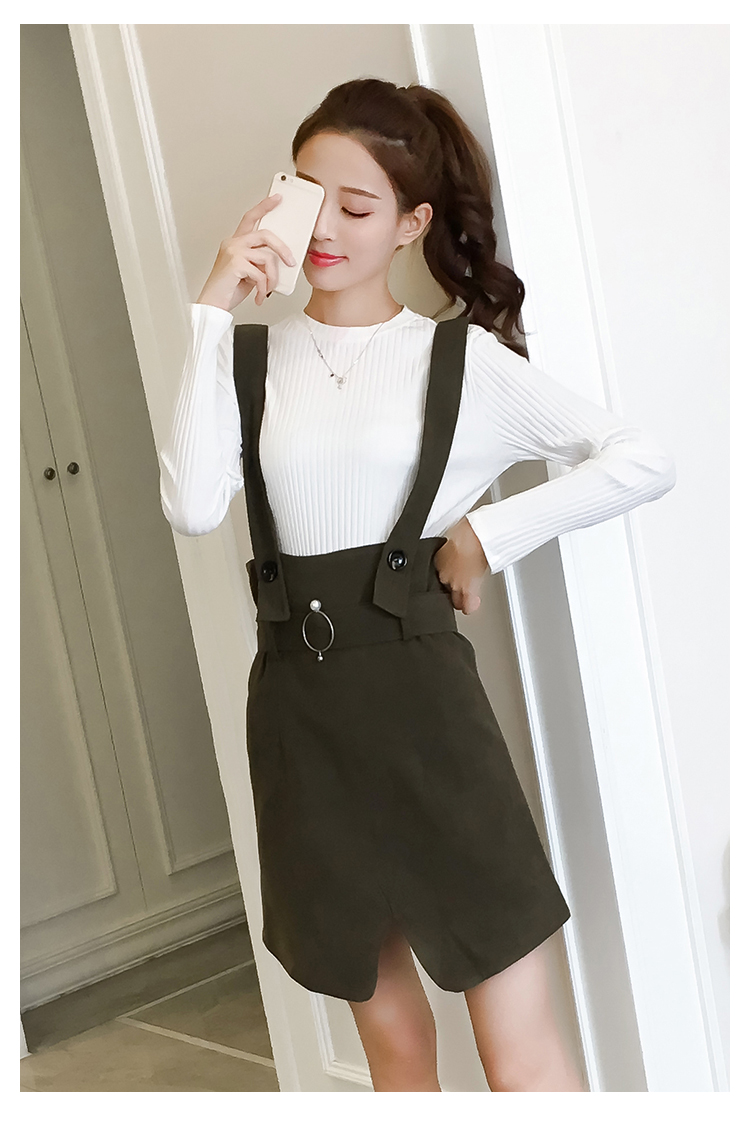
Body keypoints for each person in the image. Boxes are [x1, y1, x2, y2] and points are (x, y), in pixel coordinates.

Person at [159, 78, 675, 1093]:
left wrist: (487, 532)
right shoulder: (247, 359)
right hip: (304, 720)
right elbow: (190, 505)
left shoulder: (456, 361)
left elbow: (641, 457)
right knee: (395, 1055)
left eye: (357, 207)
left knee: (521, 1057)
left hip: (427, 716)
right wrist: (211, 308)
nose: (323, 228)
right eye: (306, 194)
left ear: (412, 223)